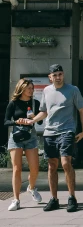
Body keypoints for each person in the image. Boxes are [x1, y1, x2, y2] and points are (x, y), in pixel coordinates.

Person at [25, 64, 83, 213]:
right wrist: (32, 121)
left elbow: (81, 110)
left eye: (60, 74)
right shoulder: (46, 91)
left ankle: (72, 197)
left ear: (63, 75)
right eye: (55, 75)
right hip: (50, 133)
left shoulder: (73, 90)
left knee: (66, 163)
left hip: (67, 131)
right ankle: (54, 199)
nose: (58, 77)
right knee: (52, 165)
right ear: (50, 77)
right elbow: (44, 112)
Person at [4, 78, 43, 211]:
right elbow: (6, 121)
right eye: (29, 88)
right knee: (17, 168)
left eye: (32, 88)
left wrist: (33, 118)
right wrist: (17, 122)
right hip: (16, 137)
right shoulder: (13, 103)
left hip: (30, 137)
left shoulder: (35, 103)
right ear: (22, 89)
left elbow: (39, 123)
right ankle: (16, 200)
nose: (31, 91)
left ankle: (31, 188)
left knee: (35, 168)